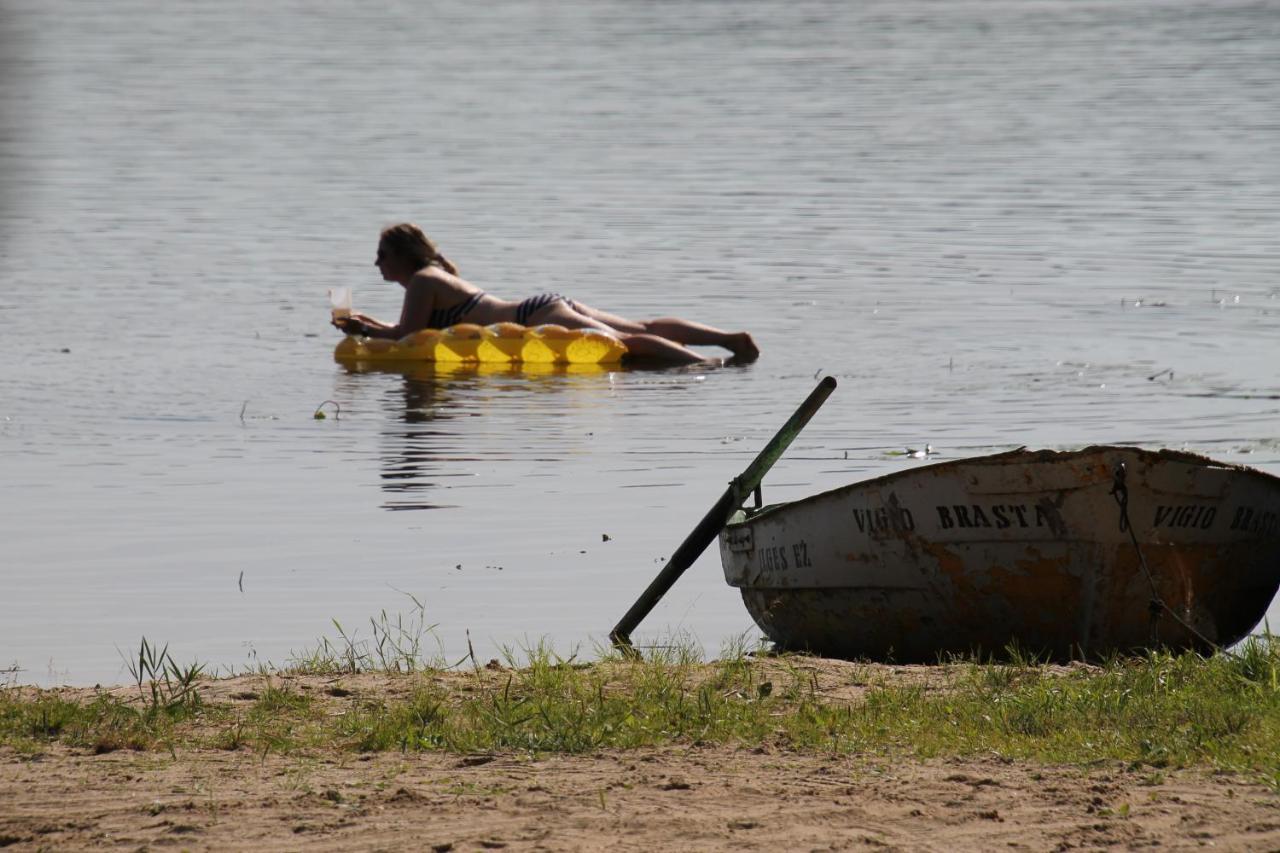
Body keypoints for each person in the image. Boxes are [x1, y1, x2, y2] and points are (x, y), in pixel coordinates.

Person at [332, 223, 759, 364]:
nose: (377, 264)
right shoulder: (427, 277)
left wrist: (366, 332)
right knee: (642, 326)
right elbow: (403, 330)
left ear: (402, 256)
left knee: (626, 344)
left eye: (382, 255)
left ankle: (706, 366)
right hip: (540, 306)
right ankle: (729, 340)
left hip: (533, 319)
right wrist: (364, 324)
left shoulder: (423, 280)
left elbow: (406, 335)